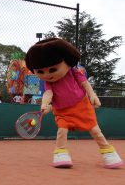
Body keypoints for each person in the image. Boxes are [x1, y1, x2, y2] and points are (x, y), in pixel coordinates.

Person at [25, 38, 123, 169]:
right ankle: (61, 153)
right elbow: (48, 94)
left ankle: (109, 153)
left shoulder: (73, 72)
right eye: (41, 72)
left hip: (82, 106)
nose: (47, 75)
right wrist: (45, 104)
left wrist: (93, 95)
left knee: (95, 130)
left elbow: (85, 84)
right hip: (62, 112)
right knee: (62, 131)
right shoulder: (49, 82)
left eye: (53, 69)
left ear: (67, 61)